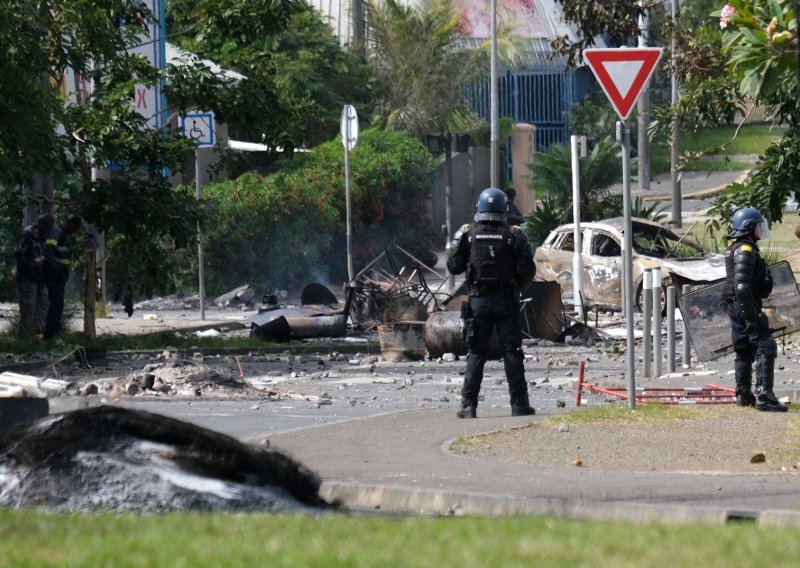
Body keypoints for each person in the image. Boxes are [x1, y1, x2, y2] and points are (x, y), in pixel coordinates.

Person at [447, 187, 536, 418]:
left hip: (479, 301)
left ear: (479, 207)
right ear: (504, 208)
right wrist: (516, 285)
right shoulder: (514, 235)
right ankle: (519, 405)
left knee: (476, 352)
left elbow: (453, 266)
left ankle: (468, 406)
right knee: (512, 352)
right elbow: (528, 270)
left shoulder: (468, 234)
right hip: (506, 301)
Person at [721, 207, 787, 412]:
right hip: (744, 305)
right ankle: (764, 396)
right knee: (765, 345)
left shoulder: (735, 247)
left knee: (744, 349)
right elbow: (742, 287)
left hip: (736, 305)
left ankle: (744, 395)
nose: (761, 229)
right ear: (749, 227)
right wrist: (752, 315)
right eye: (758, 225)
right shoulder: (745, 250)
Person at [42, 214, 82, 340]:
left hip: (59, 277)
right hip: (54, 276)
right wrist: (58, 270)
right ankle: (50, 335)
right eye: (75, 229)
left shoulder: (63, 235)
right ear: (70, 224)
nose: (74, 232)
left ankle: (55, 333)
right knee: (56, 304)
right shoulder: (57, 232)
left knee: (58, 305)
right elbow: (48, 252)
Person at [14, 214, 54, 338]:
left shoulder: (45, 235)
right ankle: (23, 338)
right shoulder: (28, 233)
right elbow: (18, 252)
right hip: (27, 278)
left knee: (44, 307)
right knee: (28, 309)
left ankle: (43, 336)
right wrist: (30, 265)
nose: (48, 230)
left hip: (40, 279)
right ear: (41, 224)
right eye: (47, 227)